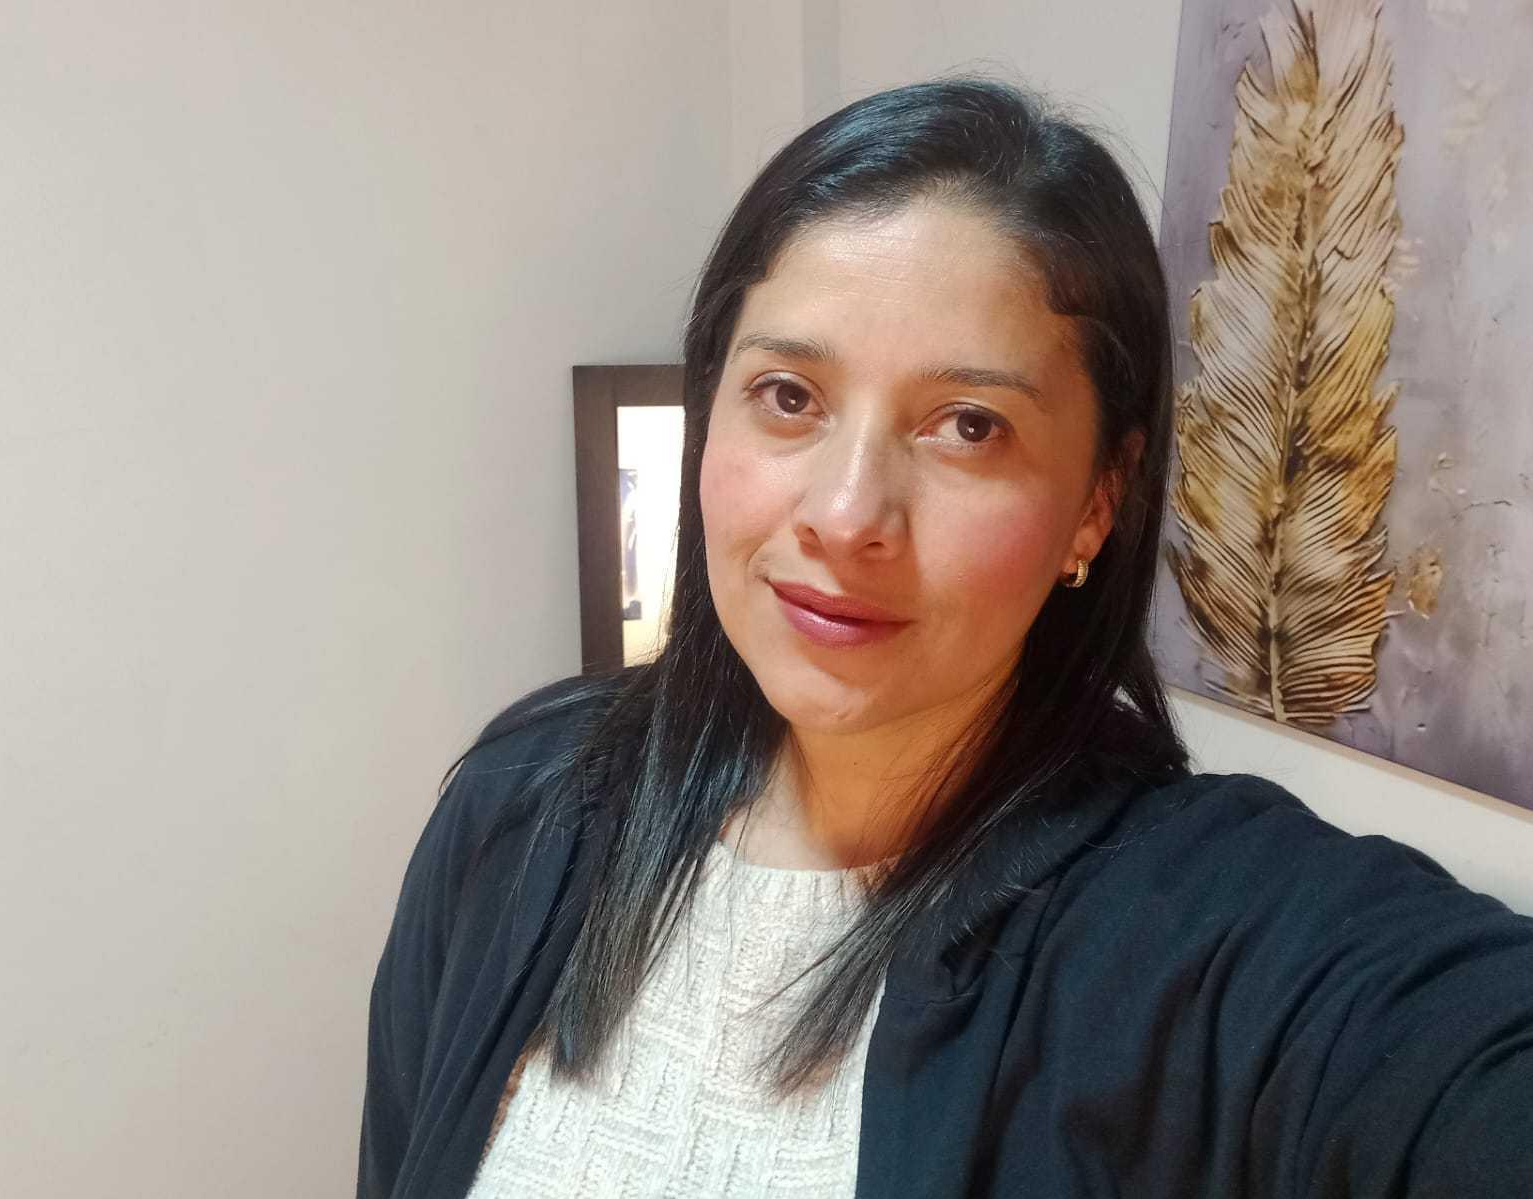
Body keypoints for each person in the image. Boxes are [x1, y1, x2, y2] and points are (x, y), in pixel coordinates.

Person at [357, 78, 1533, 1198]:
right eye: (788, 396)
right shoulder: (527, 805)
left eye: (969, 425)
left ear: (1097, 500)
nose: (845, 515)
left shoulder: (1197, 928)